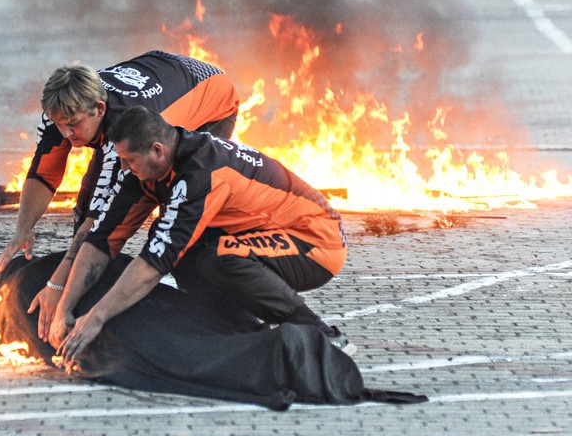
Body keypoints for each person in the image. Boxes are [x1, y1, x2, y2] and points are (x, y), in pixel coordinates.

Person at [51, 106, 356, 366]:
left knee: (220, 256)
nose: (123, 168)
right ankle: (239, 331)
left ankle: (321, 334)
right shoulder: (146, 170)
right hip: (266, 233)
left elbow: (153, 264)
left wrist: (96, 318)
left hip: (316, 241)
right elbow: (102, 239)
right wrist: (64, 306)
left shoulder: (200, 172)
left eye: (128, 160)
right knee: (192, 255)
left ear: (157, 150)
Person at [0, 50, 240, 339]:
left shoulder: (123, 123)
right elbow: (44, 172)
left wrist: (57, 285)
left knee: (176, 203)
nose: (67, 132)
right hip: (161, 70)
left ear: (99, 108)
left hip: (211, 98)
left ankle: (212, 301)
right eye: (59, 124)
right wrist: (23, 230)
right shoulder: (61, 112)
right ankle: (85, 291)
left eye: (72, 123)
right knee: (86, 204)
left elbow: (102, 219)